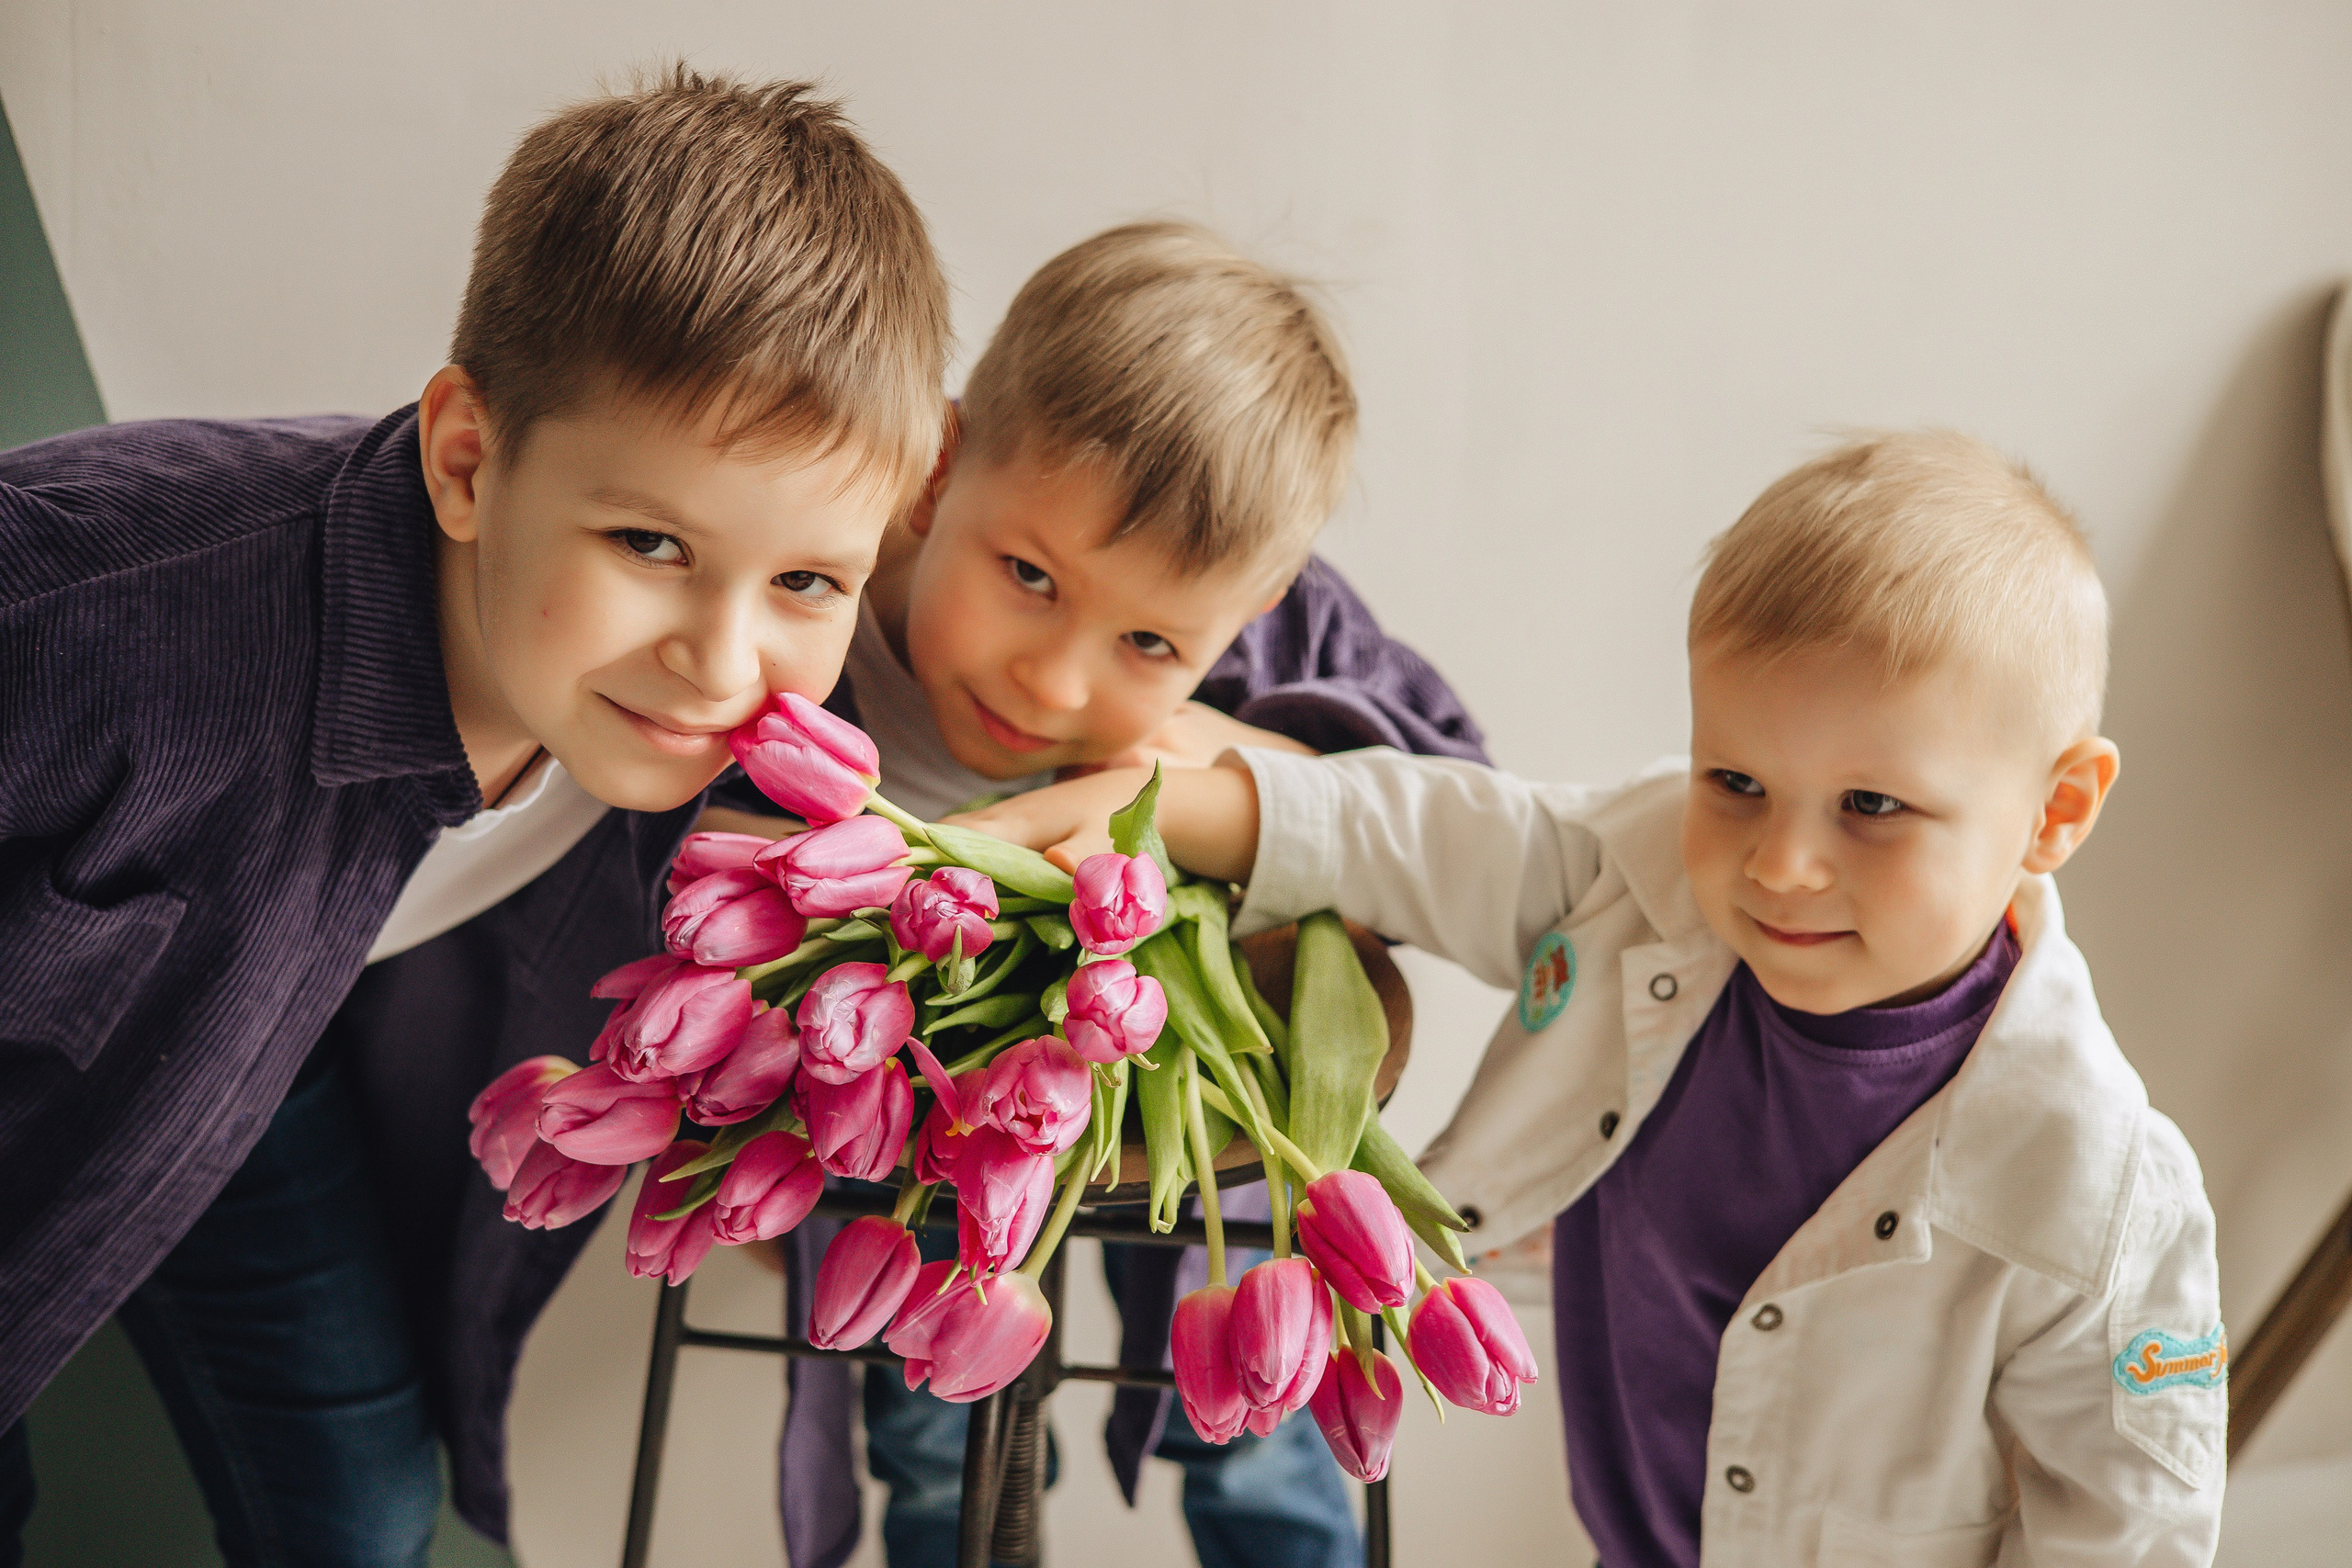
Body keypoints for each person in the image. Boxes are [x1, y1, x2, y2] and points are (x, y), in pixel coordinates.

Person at [962, 432, 2227, 1565]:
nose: (1779, 864)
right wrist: (1173, 805)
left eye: (1873, 808)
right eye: (1734, 779)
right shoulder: (1645, 882)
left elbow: (2130, 1524)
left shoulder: (2095, 1196)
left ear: (2055, 810)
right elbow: (1438, 835)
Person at [0, 69, 948, 1568]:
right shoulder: (100, 616)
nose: (720, 659)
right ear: (466, 462)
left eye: (805, 584)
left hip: (254, 1054)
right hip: (88, 1078)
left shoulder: (716, 728)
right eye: (650, 543)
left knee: (367, 1514)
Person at [701, 220, 1487, 1568]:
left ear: (1252, 613)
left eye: (1151, 643)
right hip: (923, 1170)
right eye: (1028, 578)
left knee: (1263, 1455)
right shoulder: (798, 606)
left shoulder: (1273, 630)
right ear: (938, 463)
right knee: (938, 1453)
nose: (1056, 684)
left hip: (1221, 1154)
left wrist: (1225, 763)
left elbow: (1454, 819)